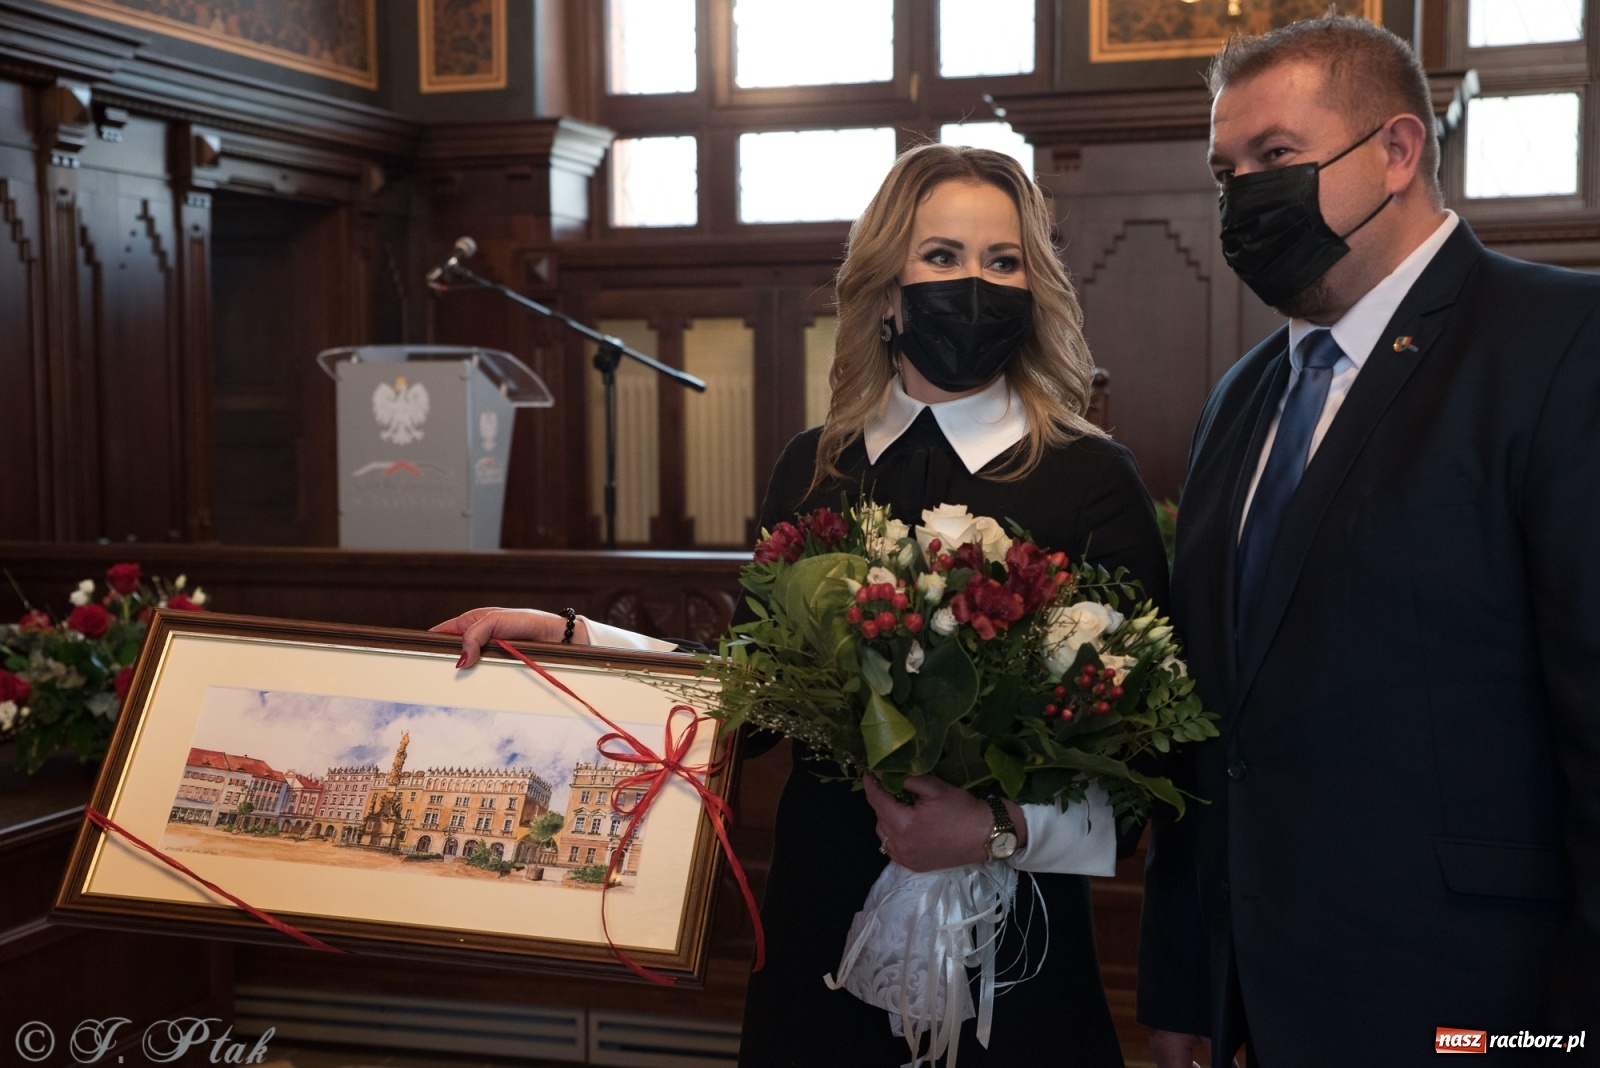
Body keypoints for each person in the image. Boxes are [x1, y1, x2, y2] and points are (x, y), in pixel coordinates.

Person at [437, 143, 1169, 1066]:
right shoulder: (815, 465)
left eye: (1003, 261)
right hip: (823, 914)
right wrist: (576, 637)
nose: (974, 284)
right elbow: (752, 695)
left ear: (1035, 290)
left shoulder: (1092, 478)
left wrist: (991, 830)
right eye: (942, 256)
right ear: (888, 293)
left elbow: (1143, 768)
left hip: (1014, 944)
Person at [1137, 16, 1600, 1068]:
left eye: (1275, 156)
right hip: (1261, 1003)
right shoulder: (1240, 398)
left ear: (1396, 151)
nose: (1242, 196)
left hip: (1483, 1003)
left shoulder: (1562, 344)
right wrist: (1183, 981)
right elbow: (1208, 726)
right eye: (1224, 172)